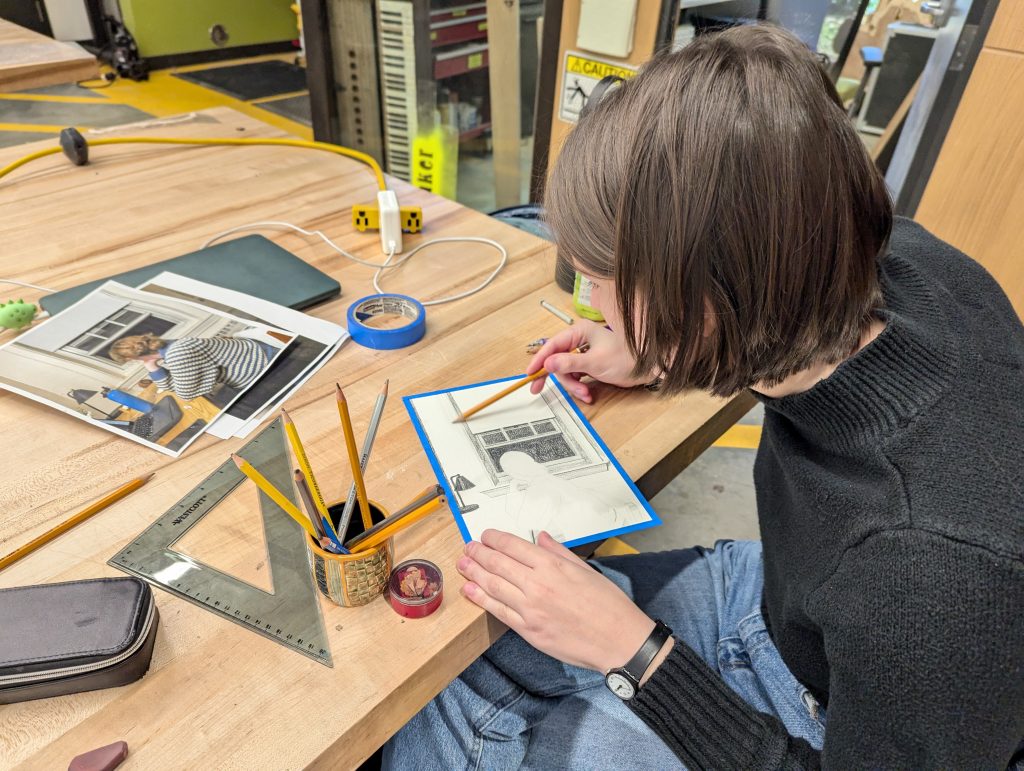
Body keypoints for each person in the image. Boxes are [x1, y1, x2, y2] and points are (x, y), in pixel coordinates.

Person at [384, 24, 1024, 769]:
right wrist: (652, 353)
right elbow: (756, 307)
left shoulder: (933, 580)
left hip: (833, 715)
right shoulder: (887, 258)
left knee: (451, 741)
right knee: (457, 662)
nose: (587, 306)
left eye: (600, 284)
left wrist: (639, 654)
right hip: (790, 606)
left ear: (708, 303)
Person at [109, 332, 277, 401]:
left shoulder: (177, 353)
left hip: (265, 370)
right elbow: (174, 385)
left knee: (226, 404)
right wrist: (151, 366)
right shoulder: (171, 346)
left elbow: (185, 394)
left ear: (132, 357)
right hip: (261, 358)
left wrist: (153, 368)